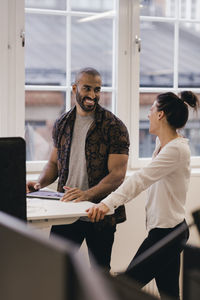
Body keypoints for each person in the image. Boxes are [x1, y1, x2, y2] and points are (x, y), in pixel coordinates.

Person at [87, 91, 200, 299]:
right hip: (166, 231)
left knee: (125, 286)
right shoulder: (163, 145)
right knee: (169, 294)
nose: (148, 114)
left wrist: (106, 204)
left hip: (167, 235)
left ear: (161, 115)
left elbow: (140, 179)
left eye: (151, 110)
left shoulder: (176, 150)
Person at [26, 67, 130, 271]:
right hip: (65, 212)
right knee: (57, 269)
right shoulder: (62, 123)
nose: (92, 95)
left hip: (99, 213)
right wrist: (39, 183)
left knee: (100, 274)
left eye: (97, 90)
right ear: (75, 88)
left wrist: (87, 195)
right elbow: (54, 163)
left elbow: (118, 174)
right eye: (87, 88)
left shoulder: (114, 126)